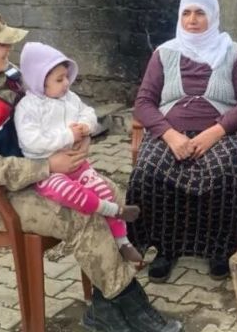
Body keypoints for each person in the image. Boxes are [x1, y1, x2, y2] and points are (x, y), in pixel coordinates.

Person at [0, 5, 182, 332]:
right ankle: (131, 303)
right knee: (80, 215)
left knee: (114, 198)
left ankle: (106, 306)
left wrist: (78, 138)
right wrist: (47, 165)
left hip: (27, 176)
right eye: (0, 44)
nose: (9, 49)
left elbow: (52, 110)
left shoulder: (3, 76)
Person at [127, 0, 237, 282]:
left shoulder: (234, 53)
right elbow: (143, 103)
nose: (192, 20)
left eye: (200, 13)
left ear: (212, 17)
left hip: (217, 133)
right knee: (148, 172)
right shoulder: (164, 53)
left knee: (223, 173)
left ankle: (218, 249)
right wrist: (170, 135)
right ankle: (165, 249)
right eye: (186, 13)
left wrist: (216, 132)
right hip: (169, 134)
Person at [15, 41, 142, 264]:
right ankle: (112, 210)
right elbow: (32, 141)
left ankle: (123, 241)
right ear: (39, 80)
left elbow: (88, 112)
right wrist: (68, 135)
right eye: (59, 79)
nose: (66, 83)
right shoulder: (28, 108)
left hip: (77, 165)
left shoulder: (69, 98)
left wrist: (86, 127)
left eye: (66, 77)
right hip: (47, 173)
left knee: (102, 187)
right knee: (68, 191)